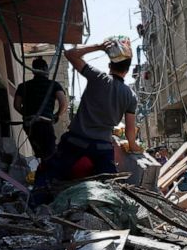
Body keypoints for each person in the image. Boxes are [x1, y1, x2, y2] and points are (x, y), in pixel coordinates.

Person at [34, 40, 139, 198]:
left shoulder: (97, 77)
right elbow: (130, 132)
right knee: (109, 189)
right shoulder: (130, 95)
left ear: (110, 65)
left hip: (75, 142)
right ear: (127, 70)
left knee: (48, 174)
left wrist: (99, 47)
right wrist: (133, 146)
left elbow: (69, 54)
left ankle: (35, 207)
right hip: (102, 148)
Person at [14, 56, 67, 159]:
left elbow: (16, 105)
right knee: (50, 155)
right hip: (45, 123)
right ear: (46, 69)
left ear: (33, 71)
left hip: (29, 125)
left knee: (40, 154)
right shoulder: (54, 85)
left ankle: (43, 171)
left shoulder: (23, 86)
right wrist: (56, 115)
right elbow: (63, 103)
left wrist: (28, 115)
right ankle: (47, 174)